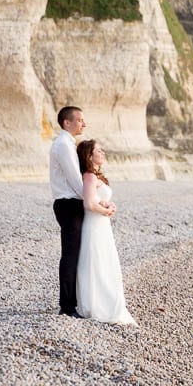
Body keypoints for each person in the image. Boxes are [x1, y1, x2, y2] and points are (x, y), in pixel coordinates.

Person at [75, 139, 136, 326]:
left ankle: (108, 301)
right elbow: (88, 204)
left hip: (102, 226)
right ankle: (95, 305)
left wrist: (110, 205)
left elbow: (97, 200)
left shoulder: (96, 177)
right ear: (89, 155)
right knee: (96, 262)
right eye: (98, 151)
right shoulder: (89, 177)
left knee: (106, 262)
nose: (103, 153)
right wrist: (106, 211)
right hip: (93, 226)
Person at [50, 106, 97, 317]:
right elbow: (75, 180)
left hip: (72, 204)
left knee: (76, 253)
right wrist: (94, 201)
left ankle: (72, 303)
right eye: (79, 120)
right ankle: (67, 306)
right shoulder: (62, 145)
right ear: (66, 123)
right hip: (68, 205)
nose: (83, 124)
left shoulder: (68, 144)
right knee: (70, 255)